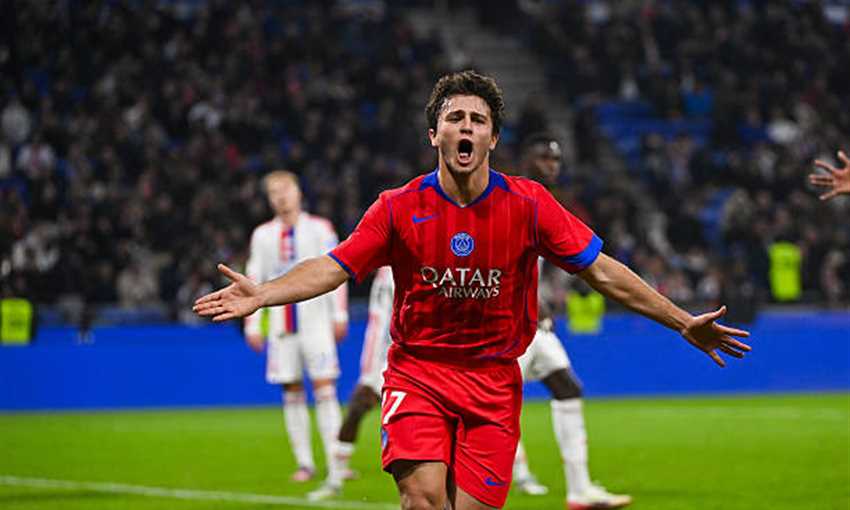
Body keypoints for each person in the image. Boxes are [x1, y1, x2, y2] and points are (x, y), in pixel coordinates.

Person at [194, 70, 751, 510]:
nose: (466, 127)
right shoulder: (397, 208)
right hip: (418, 372)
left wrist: (683, 320)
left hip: (493, 381)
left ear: (492, 138)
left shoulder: (529, 205)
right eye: (454, 118)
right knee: (423, 498)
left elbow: (601, 271)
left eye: (478, 120)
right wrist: (264, 294)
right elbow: (335, 266)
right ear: (434, 134)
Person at [511, 133, 631, 509]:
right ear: (525, 160)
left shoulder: (544, 203)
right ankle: (513, 475)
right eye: (543, 158)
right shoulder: (508, 198)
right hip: (503, 325)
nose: (552, 166)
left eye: (556, 160)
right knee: (495, 403)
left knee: (567, 386)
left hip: (534, 321)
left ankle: (579, 490)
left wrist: (539, 300)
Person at [243, 170, 349, 483]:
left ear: (299, 192)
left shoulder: (320, 228)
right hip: (281, 326)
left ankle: (336, 461)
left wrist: (339, 315)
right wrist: (252, 324)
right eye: (274, 192)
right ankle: (305, 463)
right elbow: (254, 278)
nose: (281, 196)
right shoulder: (262, 235)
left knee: (325, 387)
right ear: (269, 199)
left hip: (316, 322)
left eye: (286, 189)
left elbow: (338, 269)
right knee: (291, 389)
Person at [308, 266, 395, 501]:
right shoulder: (385, 273)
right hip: (383, 355)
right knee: (357, 407)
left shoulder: (399, 271)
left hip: (401, 353)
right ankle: (335, 479)